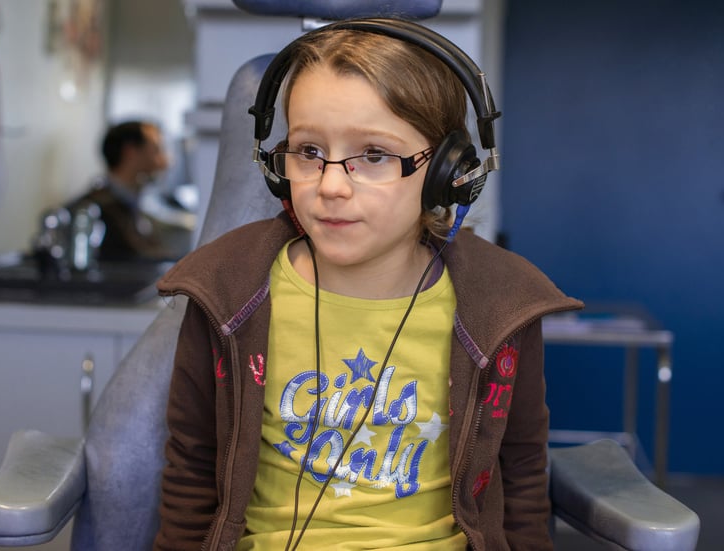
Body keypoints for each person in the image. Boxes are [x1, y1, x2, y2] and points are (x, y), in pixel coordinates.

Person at [153, 19, 582, 551]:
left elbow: (520, 479)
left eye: (374, 155)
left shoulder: (501, 306)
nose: (331, 185)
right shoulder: (227, 293)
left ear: (450, 172)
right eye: (309, 152)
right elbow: (191, 473)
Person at [64, 120, 191, 263]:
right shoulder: (92, 210)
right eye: (156, 150)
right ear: (130, 152)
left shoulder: (132, 205)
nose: (164, 162)